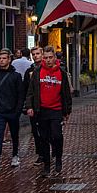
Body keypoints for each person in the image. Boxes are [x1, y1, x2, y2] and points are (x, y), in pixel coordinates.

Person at [25, 45, 73, 177]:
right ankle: (46, 164)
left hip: (56, 110)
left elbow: (66, 93)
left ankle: (58, 158)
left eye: (50, 57)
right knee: (43, 138)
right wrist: (29, 106)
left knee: (57, 136)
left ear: (54, 57)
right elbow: (31, 91)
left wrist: (67, 110)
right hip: (41, 110)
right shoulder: (37, 72)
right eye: (45, 58)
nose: (47, 60)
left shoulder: (61, 73)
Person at [0, 49, 25, 172]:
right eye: (0, 58)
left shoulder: (16, 76)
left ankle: (15, 155)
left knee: (14, 135)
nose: (1, 60)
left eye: (4, 58)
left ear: (9, 60)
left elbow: (20, 94)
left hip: (13, 111)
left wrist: (18, 110)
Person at [23, 46, 44, 165]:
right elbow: (26, 89)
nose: (35, 56)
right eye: (34, 54)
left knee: (47, 131)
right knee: (36, 132)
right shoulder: (29, 71)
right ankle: (41, 154)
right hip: (34, 106)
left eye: (37, 54)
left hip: (46, 105)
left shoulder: (48, 69)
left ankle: (49, 151)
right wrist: (27, 105)